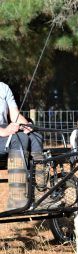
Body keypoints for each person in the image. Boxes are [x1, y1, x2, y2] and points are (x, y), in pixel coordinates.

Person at [0, 82, 44, 210]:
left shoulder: (3, 87)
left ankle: (41, 193)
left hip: (4, 132)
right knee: (19, 139)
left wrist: (27, 125)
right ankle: (17, 199)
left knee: (35, 136)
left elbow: (15, 115)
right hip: (2, 133)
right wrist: (3, 131)